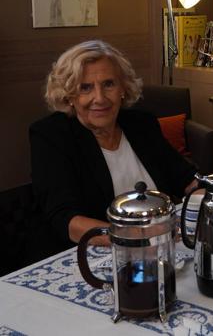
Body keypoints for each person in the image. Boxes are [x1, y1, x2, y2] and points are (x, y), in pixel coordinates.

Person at [30, 40, 197, 251]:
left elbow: (186, 178)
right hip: (95, 254)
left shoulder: (141, 124)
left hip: (162, 247)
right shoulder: (51, 135)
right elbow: (65, 219)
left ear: (123, 89)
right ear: (69, 95)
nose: (99, 98)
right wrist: (137, 237)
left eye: (108, 84)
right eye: (85, 87)